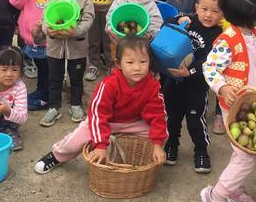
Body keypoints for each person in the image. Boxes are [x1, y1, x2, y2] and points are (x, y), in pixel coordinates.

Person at [200, 0, 256, 202]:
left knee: (241, 152)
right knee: (248, 155)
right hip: (234, 106)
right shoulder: (228, 40)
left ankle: (233, 188)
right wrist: (222, 87)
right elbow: (210, 68)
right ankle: (216, 195)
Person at [33, 35, 167, 174]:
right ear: (119, 64)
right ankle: (56, 156)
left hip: (134, 122)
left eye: (143, 61)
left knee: (162, 134)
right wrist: (101, 145)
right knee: (74, 144)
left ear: (150, 62)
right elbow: (98, 115)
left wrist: (157, 144)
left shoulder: (153, 85)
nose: (137, 68)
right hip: (105, 121)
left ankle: (139, 158)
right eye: (130, 62)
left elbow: (158, 115)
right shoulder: (109, 85)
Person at [163, 0, 226, 173]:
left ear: (223, 14)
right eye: (204, 9)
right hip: (173, 80)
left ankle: (200, 150)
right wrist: (178, 19)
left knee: (195, 119)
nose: (208, 15)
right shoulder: (189, 20)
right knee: (172, 117)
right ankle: (171, 144)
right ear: (197, 7)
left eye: (215, 11)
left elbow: (209, 64)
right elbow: (166, 25)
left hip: (196, 86)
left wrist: (189, 72)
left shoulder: (219, 36)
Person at [39, 0, 95, 127]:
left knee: (76, 78)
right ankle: (54, 107)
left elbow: (88, 20)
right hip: (55, 48)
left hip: (77, 48)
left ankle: (76, 105)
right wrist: (47, 30)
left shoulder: (85, 0)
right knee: (54, 78)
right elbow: (44, 19)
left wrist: (76, 31)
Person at [8, 0, 54, 111]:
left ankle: (45, 97)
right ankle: (41, 91)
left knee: (46, 69)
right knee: (41, 67)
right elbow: (14, 2)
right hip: (29, 40)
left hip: (44, 41)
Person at [207, 0, 239, 136]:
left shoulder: (233, 7)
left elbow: (238, 28)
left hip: (227, 55)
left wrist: (224, 23)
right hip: (209, 50)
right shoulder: (206, 0)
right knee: (209, 81)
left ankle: (220, 113)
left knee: (224, 84)